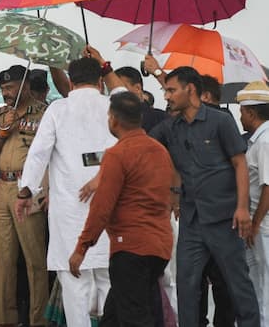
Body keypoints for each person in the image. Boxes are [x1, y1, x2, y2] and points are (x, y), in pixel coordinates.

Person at [17, 49, 127, 327]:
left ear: (70, 79)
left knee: (75, 286)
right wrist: (106, 64)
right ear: (100, 80)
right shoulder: (113, 106)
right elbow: (128, 96)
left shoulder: (58, 109)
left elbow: (38, 154)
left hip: (70, 212)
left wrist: (25, 191)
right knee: (109, 281)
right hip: (110, 208)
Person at [150, 66, 260, 326]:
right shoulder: (170, 128)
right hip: (191, 221)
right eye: (165, 90)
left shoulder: (220, 121)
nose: (166, 96)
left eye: (171, 90)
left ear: (191, 90)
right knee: (187, 287)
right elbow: (140, 143)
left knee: (238, 285)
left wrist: (242, 208)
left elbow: (239, 163)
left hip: (225, 219)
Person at [69, 91, 175, 326]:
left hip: (130, 247)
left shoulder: (118, 154)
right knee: (114, 316)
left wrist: (81, 247)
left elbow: (101, 207)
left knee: (134, 317)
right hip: (159, 246)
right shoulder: (160, 151)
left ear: (114, 119)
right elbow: (171, 191)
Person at [0, 65, 49, 327]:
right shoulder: (3, 115)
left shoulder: (44, 113)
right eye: (3, 89)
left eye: (10, 88)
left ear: (25, 85)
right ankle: (5, 319)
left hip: (29, 188)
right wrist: (3, 131)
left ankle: (39, 320)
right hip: (4, 187)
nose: (6, 93)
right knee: (4, 258)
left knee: (35, 259)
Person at [238, 81, 269, 326]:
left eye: (241, 112)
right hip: (258, 221)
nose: (240, 118)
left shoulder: (266, 141)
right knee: (256, 281)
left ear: (250, 112)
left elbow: (268, 186)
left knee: (265, 283)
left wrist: (256, 222)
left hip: (264, 224)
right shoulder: (257, 140)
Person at [114, 66, 168, 132]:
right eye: (112, 89)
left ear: (137, 88)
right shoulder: (111, 120)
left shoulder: (162, 119)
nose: (115, 93)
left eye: (121, 89)